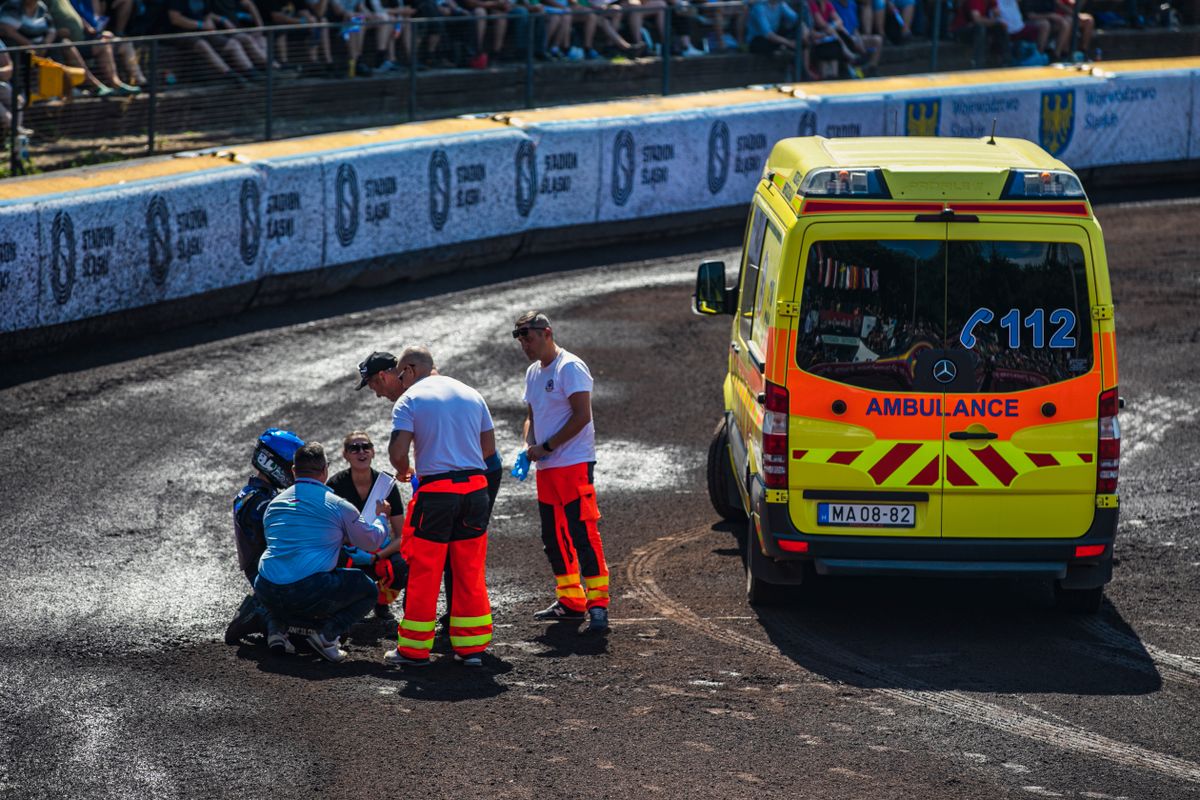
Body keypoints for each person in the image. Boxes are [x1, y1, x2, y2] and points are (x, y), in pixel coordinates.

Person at [366, 345, 496, 668]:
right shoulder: (470, 393)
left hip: (437, 492)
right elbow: (489, 449)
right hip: (476, 490)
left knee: (425, 569)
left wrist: (402, 470)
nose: (399, 381)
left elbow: (398, 451)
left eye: (400, 375)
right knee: (468, 569)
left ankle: (413, 649)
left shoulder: (409, 400)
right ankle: (471, 648)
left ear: (409, 370)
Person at [514, 311, 610, 636]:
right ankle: (571, 600)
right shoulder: (532, 372)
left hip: (572, 464)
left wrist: (549, 445)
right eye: (521, 338)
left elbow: (582, 416)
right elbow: (532, 414)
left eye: (528, 336)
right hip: (547, 467)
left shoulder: (570, 367)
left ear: (547, 333)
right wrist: (529, 441)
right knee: (553, 538)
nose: (525, 344)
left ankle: (598, 604)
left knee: (583, 534)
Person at [254, 442, 390, 663]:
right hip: (306, 588)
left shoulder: (274, 504)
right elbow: (372, 541)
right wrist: (381, 516)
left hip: (266, 586)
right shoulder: (338, 505)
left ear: (294, 471)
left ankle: (277, 629)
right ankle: (326, 637)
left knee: (281, 578)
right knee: (367, 589)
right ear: (325, 470)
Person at [224, 427, 307, 654]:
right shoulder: (254, 499)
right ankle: (258, 613)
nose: (295, 473)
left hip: (273, 566)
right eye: (294, 467)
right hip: (265, 571)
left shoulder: (265, 495)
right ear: (274, 463)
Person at [326, 430, 409, 621]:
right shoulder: (336, 485)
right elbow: (327, 532)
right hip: (347, 549)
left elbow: (402, 536)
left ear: (373, 452)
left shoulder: (386, 485)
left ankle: (381, 602)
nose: (361, 451)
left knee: (403, 564)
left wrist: (376, 557)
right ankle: (343, 607)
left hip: (379, 550)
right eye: (354, 448)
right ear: (345, 455)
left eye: (366, 447)